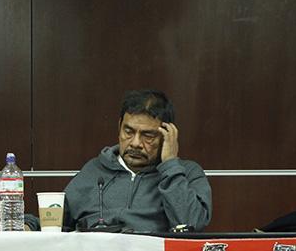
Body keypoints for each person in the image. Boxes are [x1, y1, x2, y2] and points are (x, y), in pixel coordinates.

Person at [64, 89, 212, 232]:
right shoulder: (93, 170)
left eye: (148, 135)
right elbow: (56, 226)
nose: (135, 143)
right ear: (119, 126)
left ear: (167, 135)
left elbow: (193, 226)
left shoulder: (187, 173)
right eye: (128, 131)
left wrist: (170, 166)